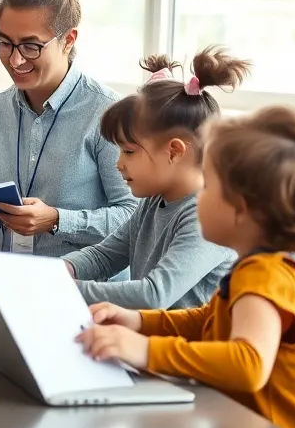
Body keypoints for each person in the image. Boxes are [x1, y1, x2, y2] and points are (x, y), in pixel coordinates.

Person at [78, 106, 295, 428]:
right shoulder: (281, 264)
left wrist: (145, 350)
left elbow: (248, 364)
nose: (198, 195)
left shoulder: (266, 276)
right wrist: (140, 321)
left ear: (242, 208)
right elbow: (209, 319)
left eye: (207, 185)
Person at [0, 0, 137, 256]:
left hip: (81, 280)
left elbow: (135, 217)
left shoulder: (108, 113)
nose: (15, 60)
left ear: (68, 40)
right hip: (5, 273)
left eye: (31, 46)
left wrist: (58, 220)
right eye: (6, 43)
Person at [62, 48, 248, 309]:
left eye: (128, 151)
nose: (119, 163)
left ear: (174, 152)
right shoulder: (153, 201)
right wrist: (62, 268)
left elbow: (154, 295)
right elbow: (105, 256)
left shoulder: (206, 217)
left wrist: (64, 287)